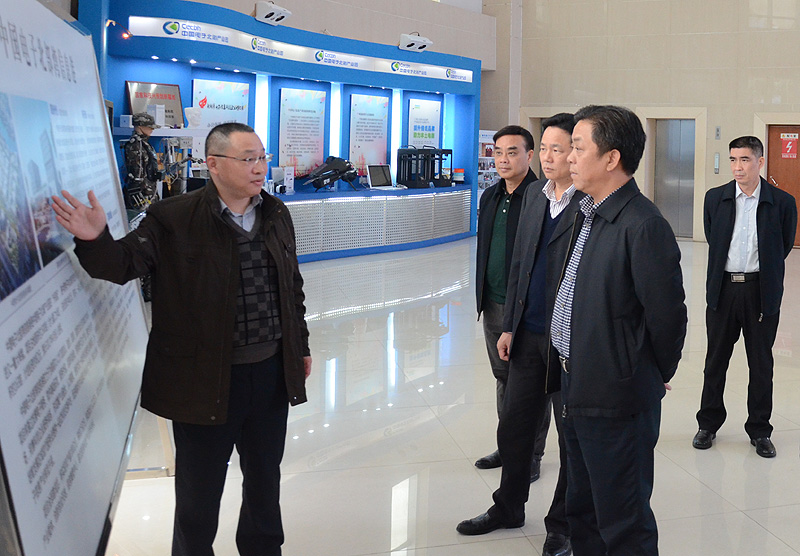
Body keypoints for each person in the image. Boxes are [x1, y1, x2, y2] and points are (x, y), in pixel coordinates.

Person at [51, 122, 312, 556]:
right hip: (204, 380)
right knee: (198, 495)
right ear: (214, 164)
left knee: (265, 481)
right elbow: (122, 265)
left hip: (270, 374)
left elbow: (291, 286)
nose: (259, 168)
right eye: (247, 159)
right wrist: (95, 238)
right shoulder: (172, 217)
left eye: (262, 158)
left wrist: (299, 345)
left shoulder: (276, 212)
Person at [550, 105, 686, 555]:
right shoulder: (586, 211)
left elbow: (668, 316)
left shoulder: (643, 225)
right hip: (576, 385)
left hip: (616, 396)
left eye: (578, 147)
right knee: (583, 511)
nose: (569, 157)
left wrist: (646, 371)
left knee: (623, 520)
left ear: (611, 158)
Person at [457, 113, 582, 556]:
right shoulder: (535, 197)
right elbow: (520, 267)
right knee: (513, 426)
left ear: (577, 152)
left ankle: (563, 525)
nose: (548, 157)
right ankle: (508, 507)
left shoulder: (588, 206)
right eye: (544, 148)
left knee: (571, 439)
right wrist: (509, 324)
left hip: (570, 344)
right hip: (528, 334)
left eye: (557, 149)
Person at [692, 136, 797, 458]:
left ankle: (760, 430)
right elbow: (713, 237)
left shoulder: (782, 202)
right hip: (723, 290)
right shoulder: (715, 198)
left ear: (760, 162)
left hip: (760, 291)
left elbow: (782, 247)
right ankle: (708, 424)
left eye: (745, 160)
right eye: (733, 160)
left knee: (761, 364)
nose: (738, 167)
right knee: (715, 361)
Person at [474, 125, 551, 482]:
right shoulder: (490, 196)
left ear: (530, 155)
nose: (503, 160)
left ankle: (532, 453)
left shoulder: (542, 199)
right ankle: (508, 447)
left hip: (527, 307)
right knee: (503, 378)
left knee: (532, 384)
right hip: (493, 302)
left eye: (512, 152)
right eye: (498, 152)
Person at [124, 112, 161, 209]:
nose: (152, 129)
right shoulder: (135, 145)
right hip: (141, 195)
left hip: (150, 191)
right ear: (140, 126)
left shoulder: (145, 144)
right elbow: (137, 174)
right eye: (150, 127)